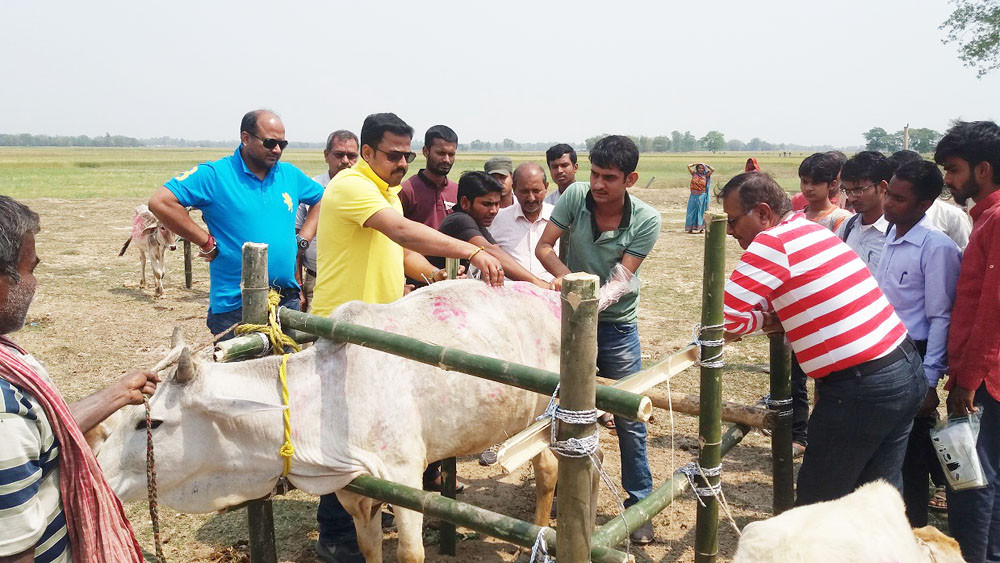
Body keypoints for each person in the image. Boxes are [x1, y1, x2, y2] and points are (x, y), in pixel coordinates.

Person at [310, 113, 503, 562]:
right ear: (367, 152)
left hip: (380, 332)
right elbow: (399, 230)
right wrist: (471, 249)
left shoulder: (387, 191)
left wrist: (436, 275)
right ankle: (337, 536)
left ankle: (375, 514)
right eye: (394, 154)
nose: (402, 163)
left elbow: (398, 251)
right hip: (342, 331)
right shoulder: (351, 186)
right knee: (344, 438)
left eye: (407, 155)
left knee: (379, 433)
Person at [718, 171, 924, 506]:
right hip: (902, 367)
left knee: (819, 505)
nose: (729, 231)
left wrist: (767, 320)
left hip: (861, 387)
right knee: (877, 501)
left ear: (763, 213)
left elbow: (723, 317)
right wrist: (773, 315)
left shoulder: (773, 242)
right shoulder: (809, 229)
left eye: (733, 220)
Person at [0, 196, 158, 563]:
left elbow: (42, 430)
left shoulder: (9, 363)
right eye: (30, 269)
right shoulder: (5, 419)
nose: (34, 283)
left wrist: (117, 395)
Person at [536, 135, 662, 544]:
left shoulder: (646, 219)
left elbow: (622, 280)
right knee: (563, 408)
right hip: (569, 320)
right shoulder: (575, 196)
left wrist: (586, 300)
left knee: (628, 416)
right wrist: (569, 279)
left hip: (616, 326)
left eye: (609, 177)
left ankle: (639, 503)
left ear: (630, 179)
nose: (598, 184)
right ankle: (564, 488)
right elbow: (544, 247)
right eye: (595, 174)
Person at [149, 110, 324, 338]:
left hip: (285, 299)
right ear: (245, 138)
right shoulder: (215, 175)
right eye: (270, 143)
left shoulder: (290, 174)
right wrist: (205, 241)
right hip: (235, 305)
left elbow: (322, 198)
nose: (277, 150)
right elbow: (161, 202)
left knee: (286, 361)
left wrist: (303, 240)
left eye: (282, 144)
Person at [874, 160, 961, 527]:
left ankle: (915, 527)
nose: (888, 204)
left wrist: (929, 379)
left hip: (916, 355)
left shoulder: (936, 247)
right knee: (890, 451)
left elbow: (941, 316)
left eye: (898, 199)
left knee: (911, 454)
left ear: (924, 204)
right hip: (886, 353)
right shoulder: (890, 237)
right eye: (888, 194)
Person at [935, 120, 1000, 563]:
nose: (948, 180)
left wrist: (968, 380)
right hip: (984, 374)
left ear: (982, 170)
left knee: (973, 479)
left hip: (986, 379)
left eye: (954, 169)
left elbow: (992, 311)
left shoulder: (996, 220)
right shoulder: (984, 218)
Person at [431, 171, 549, 287]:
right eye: (487, 204)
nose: (494, 211)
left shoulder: (478, 223)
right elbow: (490, 251)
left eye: (497, 204)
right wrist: (536, 282)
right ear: (465, 203)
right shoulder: (459, 220)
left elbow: (496, 251)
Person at [297, 130, 359, 311]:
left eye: (352, 156)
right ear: (326, 155)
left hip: (356, 283)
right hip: (317, 281)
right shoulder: (311, 189)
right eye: (339, 155)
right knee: (315, 329)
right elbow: (295, 242)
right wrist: (298, 286)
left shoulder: (367, 190)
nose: (345, 161)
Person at [889, 150, 973, 251]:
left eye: (899, 198)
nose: (888, 202)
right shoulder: (891, 226)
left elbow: (965, 252)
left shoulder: (953, 217)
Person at [491, 163, 558, 282]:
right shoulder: (498, 220)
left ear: (546, 187)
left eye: (536, 191)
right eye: (524, 192)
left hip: (553, 291)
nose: (531, 198)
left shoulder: (559, 219)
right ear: (514, 189)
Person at [837, 151, 892, 273]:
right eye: (847, 191)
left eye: (858, 190)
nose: (851, 198)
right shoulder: (847, 227)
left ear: (883, 187)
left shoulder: (896, 233)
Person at [399, 125, 459, 228]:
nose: (446, 160)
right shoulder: (406, 191)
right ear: (426, 151)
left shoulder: (457, 191)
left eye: (451, 154)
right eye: (441, 153)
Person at [798, 151, 853, 231]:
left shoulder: (841, 218)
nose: (808, 188)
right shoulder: (794, 217)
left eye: (816, 183)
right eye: (804, 182)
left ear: (832, 185)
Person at [685, 162, 714, 233]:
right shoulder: (694, 174)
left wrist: (706, 165)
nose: (700, 169)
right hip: (693, 195)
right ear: (697, 169)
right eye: (699, 168)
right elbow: (688, 166)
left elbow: (713, 169)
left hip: (701, 196)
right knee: (691, 211)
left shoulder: (705, 175)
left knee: (700, 211)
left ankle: (701, 228)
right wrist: (695, 163)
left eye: (702, 168)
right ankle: (690, 228)